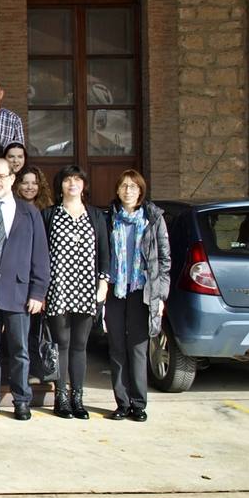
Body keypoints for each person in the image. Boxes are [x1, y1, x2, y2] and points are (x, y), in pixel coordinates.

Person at [0, 157, 50, 420]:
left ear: (12, 179)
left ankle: (22, 400)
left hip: (20, 293)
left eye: (2, 176)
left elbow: (40, 254)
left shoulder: (28, 212)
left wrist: (38, 291)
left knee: (19, 349)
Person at [42, 165, 110, 419]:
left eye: (77, 179)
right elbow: (41, 254)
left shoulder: (95, 215)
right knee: (61, 344)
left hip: (85, 287)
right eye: (68, 180)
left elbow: (105, 252)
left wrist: (103, 284)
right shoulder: (49, 214)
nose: (73, 184)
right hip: (57, 288)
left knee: (80, 345)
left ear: (84, 185)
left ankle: (78, 398)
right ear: (60, 185)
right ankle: (61, 397)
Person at [103, 170, 170, 422]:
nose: (128, 191)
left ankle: (139, 404)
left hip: (143, 292)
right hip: (115, 291)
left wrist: (161, 296)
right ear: (118, 190)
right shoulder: (109, 218)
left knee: (138, 350)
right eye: (123, 186)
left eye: (133, 186)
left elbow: (164, 260)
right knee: (117, 348)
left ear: (141, 191)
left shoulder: (153, 219)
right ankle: (122, 402)